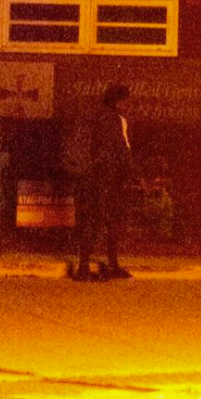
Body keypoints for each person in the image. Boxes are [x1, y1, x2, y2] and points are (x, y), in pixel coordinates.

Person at [67, 83, 134, 281]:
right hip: (108, 178)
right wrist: (131, 174)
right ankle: (112, 265)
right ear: (120, 102)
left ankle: (84, 267)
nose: (129, 105)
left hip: (88, 176)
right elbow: (123, 150)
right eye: (127, 101)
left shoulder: (94, 117)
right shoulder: (117, 120)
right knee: (113, 221)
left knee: (90, 221)